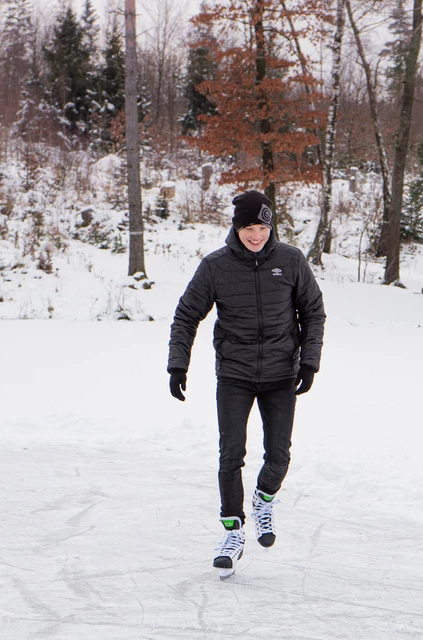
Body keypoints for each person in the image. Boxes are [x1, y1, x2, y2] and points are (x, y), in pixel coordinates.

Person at [167, 190, 325, 577]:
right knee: (230, 455)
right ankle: (232, 532)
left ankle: (263, 498)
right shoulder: (216, 266)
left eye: (262, 227)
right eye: (248, 228)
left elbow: (314, 312)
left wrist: (309, 362)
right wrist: (177, 365)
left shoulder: (290, 260)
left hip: (280, 374)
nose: (256, 235)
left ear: (271, 227)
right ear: (236, 227)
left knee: (279, 456)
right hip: (235, 374)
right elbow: (186, 316)